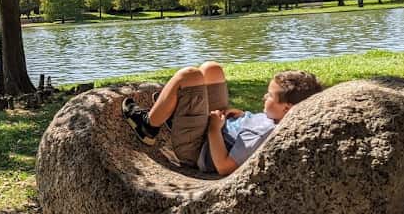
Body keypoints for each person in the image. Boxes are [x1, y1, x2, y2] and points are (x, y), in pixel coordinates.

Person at [121, 62, 322, 175]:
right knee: (212, 69)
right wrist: (244, 116)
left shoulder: (264, 133)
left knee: (188, 76)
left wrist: (214, 129)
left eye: (270, 95)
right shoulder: (278, 119)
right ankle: (176, 111)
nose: (264, 96)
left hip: (199, 147)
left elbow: (224, 166)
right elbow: (252, 128)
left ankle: (148, 125)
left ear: (287, 108)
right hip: (219, 128)